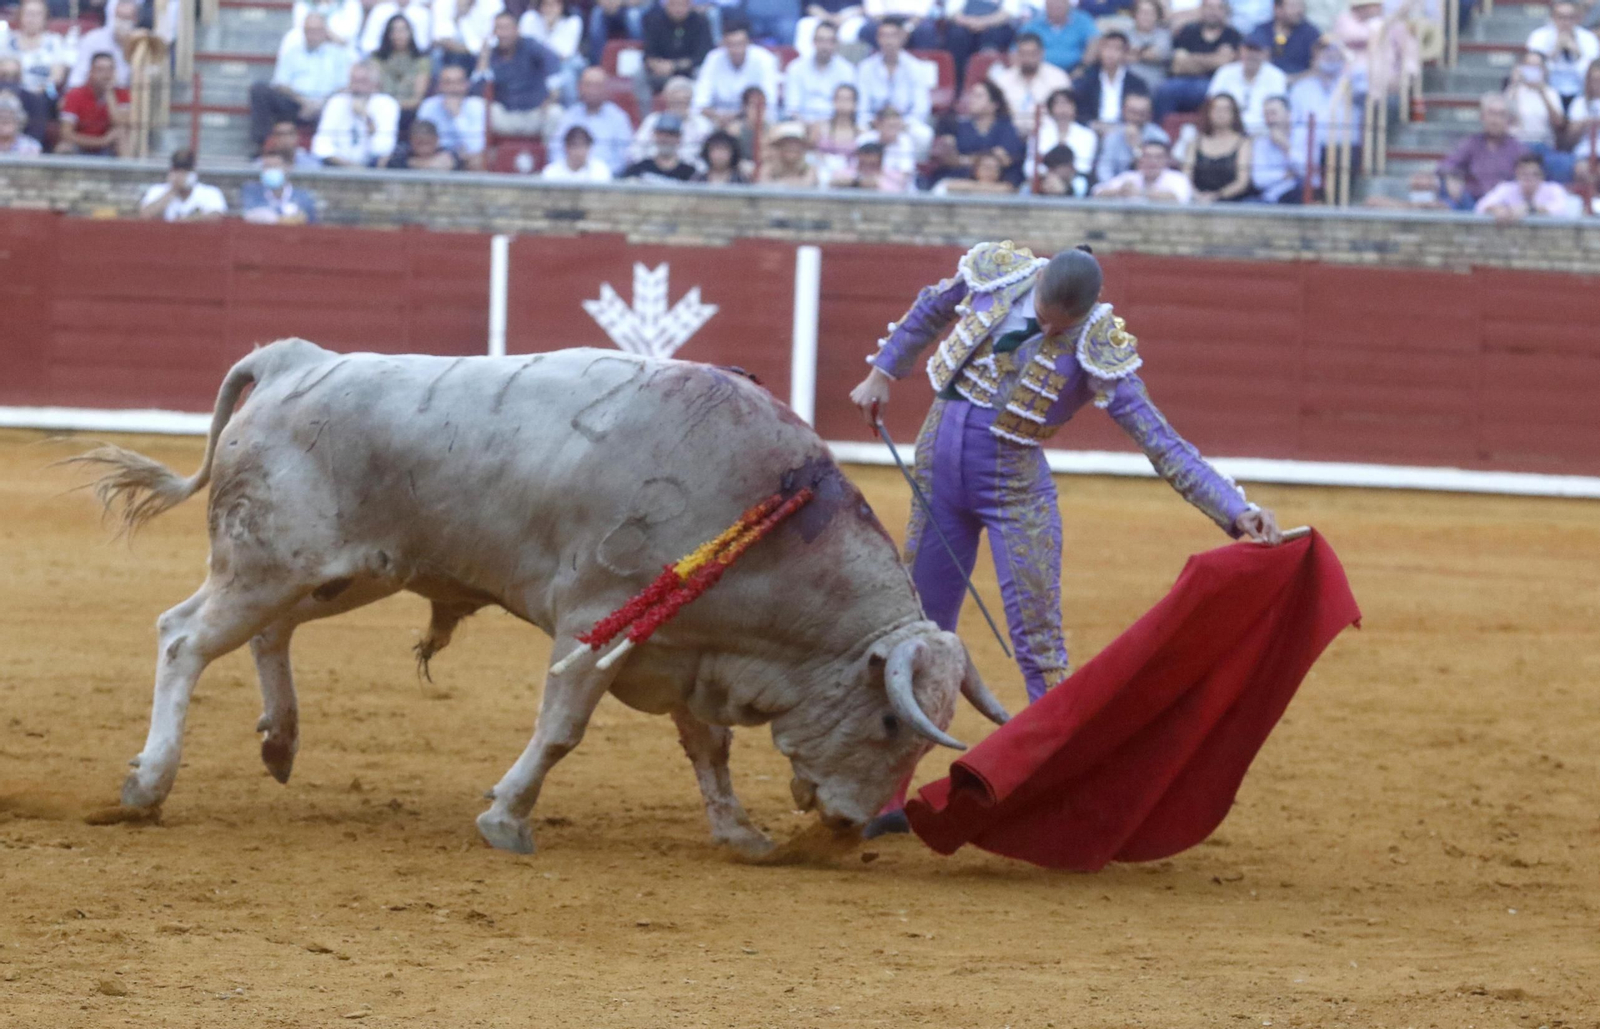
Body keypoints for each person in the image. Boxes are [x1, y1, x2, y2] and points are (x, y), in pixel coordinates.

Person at [847, 242, 1280, 834]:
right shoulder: (999, 275)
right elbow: (931, 306)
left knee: (1040, 647)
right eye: (1045, 317)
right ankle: (886, 798)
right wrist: (882, 371)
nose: (1049, 330)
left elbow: (1161, 441)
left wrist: (1236, 510)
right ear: (1040, 280)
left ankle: (1059, 796)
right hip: (936, 471)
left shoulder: (1096, 344)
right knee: (917, 633)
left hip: (1014, 490)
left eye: (1061, 327)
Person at [250, 13, 353, 153]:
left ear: (325, 32)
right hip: (296, 103)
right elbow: (280, 83)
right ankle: (264, 146)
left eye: (316, 31)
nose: (312, 35)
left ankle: (332, 153)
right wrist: (304, 102)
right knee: (259, 90)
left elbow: (344, 87)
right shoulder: (292, 52)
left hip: (326, 105)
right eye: (308, 31)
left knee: (341, 105)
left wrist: (319, 104)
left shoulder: (338, 54)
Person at [1287, 36, 1360, 197]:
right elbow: (1293, 123)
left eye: (1335, 52)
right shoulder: (1301, 88)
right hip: (1310, 151)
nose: (1331, 56)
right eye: (1325, 52)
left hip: (1345, 150)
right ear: (1315, 56)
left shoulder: (1354, 84)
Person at [475, 10, 560, 137]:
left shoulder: (531, 46)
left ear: (517, 29)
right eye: (498, 28)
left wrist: (552, 94)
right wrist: (483, 61)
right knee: (477, 108)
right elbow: (476, 91)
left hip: (534, 113)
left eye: (506, 28)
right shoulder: (490, 55)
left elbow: (552, 60)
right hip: (506, 116)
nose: (502, 33)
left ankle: (550, 156)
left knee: (556, 113)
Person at [1436, 92, 1529, 202]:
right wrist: (1451, 177)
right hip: (1473, 204)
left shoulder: (1517, 149)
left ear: (1509, 120)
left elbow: (1529, 177)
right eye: (1491, 114)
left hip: (1506, 206)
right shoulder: (1472, 143)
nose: (1495, 120)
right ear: (1483, 117)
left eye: (1501, 115)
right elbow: (1446, 165)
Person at [1155, 0, 1241, 118]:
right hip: (1182, 81)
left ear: (1225, 11)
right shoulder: (1188, 31)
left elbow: (1225, 63)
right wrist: (1214, 59)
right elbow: (1178, 64)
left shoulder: (1232, 35)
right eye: (1209, 7)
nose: (1213, 12)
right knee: (1164, 91)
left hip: (1215, 82)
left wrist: (1191, 60)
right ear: (1201, 9)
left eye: (1218, 8)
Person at [932, 80, 1026, 186]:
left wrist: (966, 159)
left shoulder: (1005, 128)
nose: (972, 100)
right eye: (972, 96)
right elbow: (950, 160)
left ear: (994, 104)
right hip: (959, 178)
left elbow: (1005, 159)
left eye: (978, 96)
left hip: (995, 183)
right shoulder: (956, 125)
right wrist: (987, 156)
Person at [312, 60, 401, 166]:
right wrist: (347, 165)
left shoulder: (387, 104)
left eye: (362, 82)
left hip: (372, 168)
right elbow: (320, 143)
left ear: (375, 84)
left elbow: (383, 148)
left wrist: (366, 118)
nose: (356, 88)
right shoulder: (337, 102)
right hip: (337, 166)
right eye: (353, 81)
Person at [549, 66, 635, 173]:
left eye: (597, 85)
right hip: (569, 180)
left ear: (606, 88)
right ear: (579, 87)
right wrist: (569, 172)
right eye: (588, 85)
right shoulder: (570, 115)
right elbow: (556, 149)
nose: (592, 90)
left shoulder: (618, 118)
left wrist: (600, 174)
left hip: (606, 181)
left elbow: (624, 157)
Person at [693, 20, 780, 125]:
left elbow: (769, 100)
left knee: (768, 117)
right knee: (698, 122)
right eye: (731, 45)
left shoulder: (764, 59)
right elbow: (700, 101)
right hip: (717, 116)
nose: (736, 50)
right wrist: (716, 116)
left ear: (748, 42)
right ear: (723, 43)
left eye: (740, 44)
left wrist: (739, 116)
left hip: (751, 116)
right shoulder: (713, 58)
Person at [854, 18, 933, 128]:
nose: (888, 41)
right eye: (884, 36)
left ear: (903, 38)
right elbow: (862, 108)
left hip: (905, 125)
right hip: (874, 125)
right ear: (877, 39)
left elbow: (921, 108)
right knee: (860, 132)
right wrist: (875, 123)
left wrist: (901, 125)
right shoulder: (865, 68)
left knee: (923, 135)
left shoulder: (916, 67)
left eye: (893, 36)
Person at [1206, 29, 1285, 134]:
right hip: (1228, 132)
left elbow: (1278, 113)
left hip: (1263, 134)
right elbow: (1211, 104)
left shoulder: (1276, 76)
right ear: (1241, 51)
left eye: (1256, 50)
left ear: (1266, 53)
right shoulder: (1225, 72)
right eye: (1248, 49)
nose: (1251, 55)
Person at [1526, 1, 1598, 110]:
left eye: (1570, 18)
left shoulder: (1588, 38)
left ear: (1577, 19)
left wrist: (1578, 55)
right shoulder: (1539, 37)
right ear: (1552, 18)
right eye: (1561, 17)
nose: (1566, 22)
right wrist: (1554, 52)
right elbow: (1533, 71)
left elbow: (1592, 75)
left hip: (1582, 93)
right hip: (1546, 91)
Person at [782, 21, 856, 124]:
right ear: (813, 42)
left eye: (830, 41)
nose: (825, 46)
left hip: (835, 128)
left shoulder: (847, 70)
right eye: (821, 40)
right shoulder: (796, 68)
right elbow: (792, 108)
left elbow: (848, 109)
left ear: (836, 44)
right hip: (802, 126)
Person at [990, 32, 1072, 124]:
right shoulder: (1002, 80)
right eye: (1024, 54)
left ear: (1041, 53)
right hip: (1010, 133)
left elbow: (1066, 112)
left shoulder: (1058, 78)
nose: (1028, 58)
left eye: (1032, 54)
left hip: (1048, 132)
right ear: (1017, 54)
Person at [417, 64, 488, 170]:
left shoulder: (478, 105)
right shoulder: (428, 106)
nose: (453, 88)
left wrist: (457, 115)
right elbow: (421, 139)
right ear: (439, 86)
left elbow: (476, 146)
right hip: (437, 154)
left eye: (458, 82)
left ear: (466, 84)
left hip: (469, 157)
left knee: (478, 160)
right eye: (448, 83)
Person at [1183, 91, 1252, 199]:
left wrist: (1216, 196)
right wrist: (1197, 196)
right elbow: (1186, 177)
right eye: (1216, 109)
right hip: (1197, 203)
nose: (1221, 114)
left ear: (1234, 113)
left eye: (1226, 110)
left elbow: (1242, 182)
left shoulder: (1243, 142)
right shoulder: (1195, 142)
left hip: (1233, 205)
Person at [639, 0, 714, 100]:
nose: (678, 9)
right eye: (674, 5)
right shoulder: (654, 21)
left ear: (690, 5)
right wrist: (655, 64)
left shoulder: (701, 21)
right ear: (666, 5)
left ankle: (697, 111)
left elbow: (703, 55)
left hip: (689, 72)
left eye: (682, 5)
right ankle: (646, 114)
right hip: (662, 74)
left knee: (702, 73)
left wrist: (675, 66)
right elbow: (648, 53)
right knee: (639, 75)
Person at [1075, 30, 1150, 130]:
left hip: (1125, 130)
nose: (1110, 53)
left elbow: (1141, 113)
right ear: (1100, 51)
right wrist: (1095, 125)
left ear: (1125, 53)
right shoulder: (1087, 81)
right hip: (1094, 129)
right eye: (1107, 48)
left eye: (1116, 49)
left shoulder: (1137, 83)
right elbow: (1080, 113)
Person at [632, 75, 714, 163]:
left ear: (691, 100)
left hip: (692, 171)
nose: (680, 106)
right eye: (676, 101)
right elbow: (635, 151)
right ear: (667, 99)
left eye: (685, 101)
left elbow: (710, 156)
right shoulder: (653, 120)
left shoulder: (703, 124)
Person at [58, 52, 127, 156]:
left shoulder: (122, 93)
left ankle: (128, 171)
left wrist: (109, 94)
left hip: (110, 148)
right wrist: (102, 141)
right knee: (64, 148)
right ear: (90, 72)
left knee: (123, 136)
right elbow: (66, 133)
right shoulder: (75, 94)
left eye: (110, 70)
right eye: (100, 70)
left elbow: (120, 123)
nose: (106, 75)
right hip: (81, 145)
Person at [1093, 90, 1170, 182]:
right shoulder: (1112, 137)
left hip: (1153, 189)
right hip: (1116, 190)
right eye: (1133, 112)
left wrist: (1136, 148)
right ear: (1123, 111)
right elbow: (1104, 168)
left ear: (1150, 114)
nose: (1136, 118)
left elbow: (1163, 171)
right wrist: (1113, 188)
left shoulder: (1160, 137)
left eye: (1141, 113)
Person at [945, 0, 1025, 87]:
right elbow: (952, 12)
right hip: (965, 26)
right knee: (957, 35)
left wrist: (982, 22)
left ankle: (989, 86)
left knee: (995, 35)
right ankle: (958, 85)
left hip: (995, 27)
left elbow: (1008, 13)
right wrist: (971, 22)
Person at [373, 13, 430, 129]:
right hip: (381, 110)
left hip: (409, 112)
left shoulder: (421, 60)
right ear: (388, 34)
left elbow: (417, 99)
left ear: (410, 32)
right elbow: (374, 90)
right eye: (394, 30)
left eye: (403, 30)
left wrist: (393, 106)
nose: (398, 35)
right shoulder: (377, 59)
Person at [1474, 151, 1570, 220]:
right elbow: (1480, 207)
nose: (1529, 179)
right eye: (1524, 174)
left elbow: (1561, 209)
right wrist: (1499, 209)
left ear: (1542, 176)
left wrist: (1530, 209)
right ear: (1517, 175)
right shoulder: (1505, 188)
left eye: (1534, 174)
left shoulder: (1554, 189)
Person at [138, 149, 228, 221]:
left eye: (185, 170)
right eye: (177, 170)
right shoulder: (157, 190)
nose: (181, 175)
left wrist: (186, 221)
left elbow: (217, 215)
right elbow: (145, 215)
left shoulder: (209, 193)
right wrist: (173, 190)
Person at [8, 0, 73, 98]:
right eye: (29, 14)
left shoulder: (55, 41)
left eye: (38, 14)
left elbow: (57, 76)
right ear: (20, 16)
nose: (32, 19)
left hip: (44, 94)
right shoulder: (7, 40)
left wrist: (43, 90)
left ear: (45, 18)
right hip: (12, 94)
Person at [1504, 49, 1565, 155]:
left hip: (1544, 144)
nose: (1533, 70)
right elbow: (1509, 120)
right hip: (1517, 144)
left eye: (1537, 66)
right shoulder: (1512, 91)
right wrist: (1515, 85)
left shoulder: (1551, 93)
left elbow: (1558, 124)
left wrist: (1542, 93)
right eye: (1529, 66)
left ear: (1544, 70)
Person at [68, 0, 139, 89]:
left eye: (127, 18)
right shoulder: (92, 39)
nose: (123, 24)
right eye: (119, 17)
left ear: (135, 20)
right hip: (94, 95)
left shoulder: (140, 45)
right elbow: (77, 79)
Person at [1027, 88, 1095, 181]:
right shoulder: (1039, 134)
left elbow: (1085, 166)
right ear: (1050, 108)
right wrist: (1048, 176)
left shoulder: (1087, 135)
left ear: (1075, 107)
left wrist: (1063, 176)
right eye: (1057, 103)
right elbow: (1029, 166)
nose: (1062, 107)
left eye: (1066, 103)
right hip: (1044, 180)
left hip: (1074, 181)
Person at [1093, 137, 1193, 198]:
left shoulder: (1178, 179)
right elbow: (1096, 192)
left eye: (1158, 157)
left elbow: (1178, 198)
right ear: (1139, 160)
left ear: (1166, 160)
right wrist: (1119, 191)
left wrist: (1141, 193)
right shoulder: (1129, 177)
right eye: (1147, 156)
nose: (1152, 162)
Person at [1019, 0, 1099, 73]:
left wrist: (1083, 68)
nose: (1056, 5)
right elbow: (1015, 51)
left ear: (1068, 3)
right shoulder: (1033, 25)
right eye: (1052, 3)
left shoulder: (1083, 20)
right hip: (1038, 73)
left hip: (1076, 73)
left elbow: (1095, 42)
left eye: (1059, 2)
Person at [241, 151, 319, 224]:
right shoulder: (253, 192)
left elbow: (309, 220)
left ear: (288, 168)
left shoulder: (302, 196)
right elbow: (250, 214)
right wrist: (281, 219)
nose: (271, 170)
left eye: (275, 166)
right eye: (267, 166)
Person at [1248, 93, 1299, 201]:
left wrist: (1286, 146)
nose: (1270, 119)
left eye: (1273, 113)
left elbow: (1308, 173)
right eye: (1266, 115)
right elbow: (1258, 180)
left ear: (1288, 114)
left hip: (1298, 194)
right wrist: (1284, 175)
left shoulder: (1304, 136)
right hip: (1270, 197)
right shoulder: (1261, 142)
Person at [621, 112, 697, 180]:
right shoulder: (640, 168)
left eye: (671, 135)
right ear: (654, 135)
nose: (666, 139)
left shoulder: (689, 172)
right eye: (661, 134)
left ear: (679, 138)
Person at [435, 0, 505, 73]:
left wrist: (477, 49)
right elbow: (443, 39)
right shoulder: (443, 3)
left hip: (487, 52)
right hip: (454, 54)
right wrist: (458, 14)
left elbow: (494, 36)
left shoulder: (493, 2)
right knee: (438, 55)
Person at [812, 83, 862, 179]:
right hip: (822, 174)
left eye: (847, 99)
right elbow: (811, 153)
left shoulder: (861, 132)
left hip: (850, 178)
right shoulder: (820, 127)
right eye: (839, 98)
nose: (843, 103)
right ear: (833, 101)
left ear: (855, 103)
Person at [0, 56, 52, 146]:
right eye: (4, 75)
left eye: (14, 76)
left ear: (20, 78)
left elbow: (36, 133)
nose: (9, 80)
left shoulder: (34, 100)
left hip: (24, 151)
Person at [1124, 0, 1174, 91]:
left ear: (1157, 16)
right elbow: (1121, 56)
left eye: (1151, 13)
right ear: (1135, 14)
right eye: (1142, 12)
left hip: (1156, 86)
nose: (1146, 16)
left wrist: (1133, 52)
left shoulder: (1164, 35)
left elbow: (1155, 55)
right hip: (1129, 86)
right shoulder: (1125, 35)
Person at [541, 123, 615, 181]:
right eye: (575, 146)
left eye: (583, 146)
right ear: (566, 147)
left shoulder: (600, 170)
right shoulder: (551, 172)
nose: (579, 151)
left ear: (589, 148)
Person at [757, 119, 819, 186]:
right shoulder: (769, 169)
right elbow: (764, 186)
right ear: (779, 146)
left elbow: (808, 184)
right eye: (787, 142)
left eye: (796, 142)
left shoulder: (808, 169)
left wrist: (780, 184)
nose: (791, 147)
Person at [385, 117, 462, 168]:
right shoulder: (401, 154)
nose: (424, 149)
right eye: (419, 143)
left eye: (427, 143)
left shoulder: (448, 154)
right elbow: (392, 163)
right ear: (411, 140)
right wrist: (422, 163)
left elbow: (456, 162)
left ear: (436, 139)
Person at [936, 148, 1017, 193]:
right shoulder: (963, 184)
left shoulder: (1005, 187)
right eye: (986, 167)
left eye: (995, 168)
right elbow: (948, 186)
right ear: (976, 169)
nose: (990, 172)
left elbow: (1007, 189)